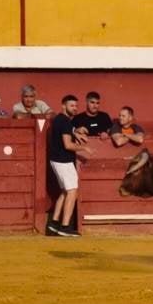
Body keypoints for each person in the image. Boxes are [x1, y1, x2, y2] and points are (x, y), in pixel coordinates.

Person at [47, 94, 91, 237]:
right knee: (73, 191)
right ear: (63, 106)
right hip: (63, 160)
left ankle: (53, 224)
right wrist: (84, 148)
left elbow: (67, 131)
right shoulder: (65, 121)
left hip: (56, 159)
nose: (75, 108)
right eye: (71, 105)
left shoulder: (60, 119)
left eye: (76, 106)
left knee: (65, 192)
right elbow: (67, 145)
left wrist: (76, 132)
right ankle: (65, 226)